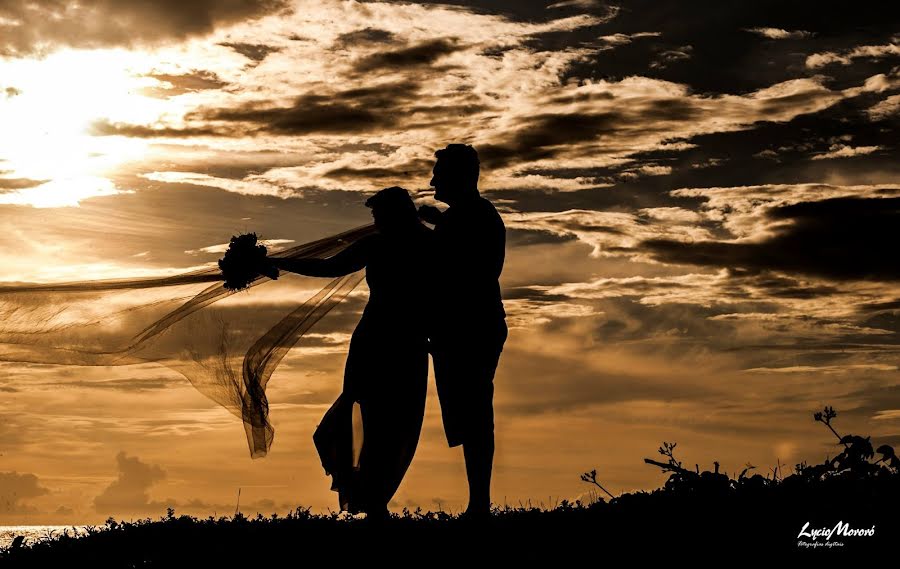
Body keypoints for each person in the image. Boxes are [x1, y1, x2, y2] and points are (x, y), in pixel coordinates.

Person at [268, 186, 432, 518]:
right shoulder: (412, 243)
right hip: (383, 342)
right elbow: (331, 266)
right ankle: (372, 500)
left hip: (399, 342)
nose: (375, 222)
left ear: (393, 214)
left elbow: (331, 267)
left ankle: (374, 499)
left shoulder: (420, 244)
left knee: (393, 420)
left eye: (378, 215)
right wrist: (279, 262)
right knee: (374, 417)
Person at [418, 144, 508, 519]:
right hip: (469, 326)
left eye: (439, 174)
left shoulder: (471, 218)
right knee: (472, 413)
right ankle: (479, 503)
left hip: (470, 328)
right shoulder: (468, 216)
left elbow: (460, 269)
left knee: (473, 414)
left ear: (457, 176)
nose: (432, 180)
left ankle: (480, 505)